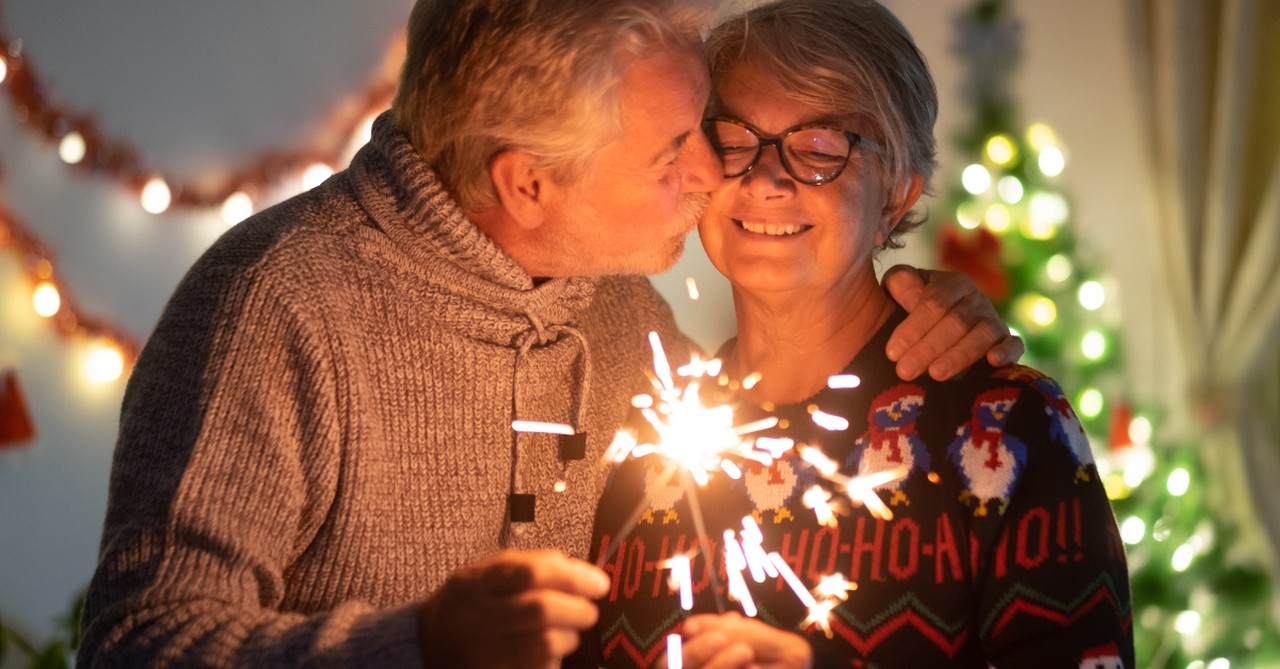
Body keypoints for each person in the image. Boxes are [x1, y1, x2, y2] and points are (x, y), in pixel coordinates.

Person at [76, 0, 1022, 667]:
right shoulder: (275, 307)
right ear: (527, 182)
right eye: (671, 150)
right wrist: (423, 646)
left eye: (705, 127)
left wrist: (920, 303)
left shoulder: (620, 316)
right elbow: (138, 644)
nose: (712, 174)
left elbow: (781, 415)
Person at [584, 0, 1134, 667]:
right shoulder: (652, 435)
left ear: (896, 196)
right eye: (735, 141)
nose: (767, 178)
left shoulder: (1005, 428)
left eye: (821, 149)